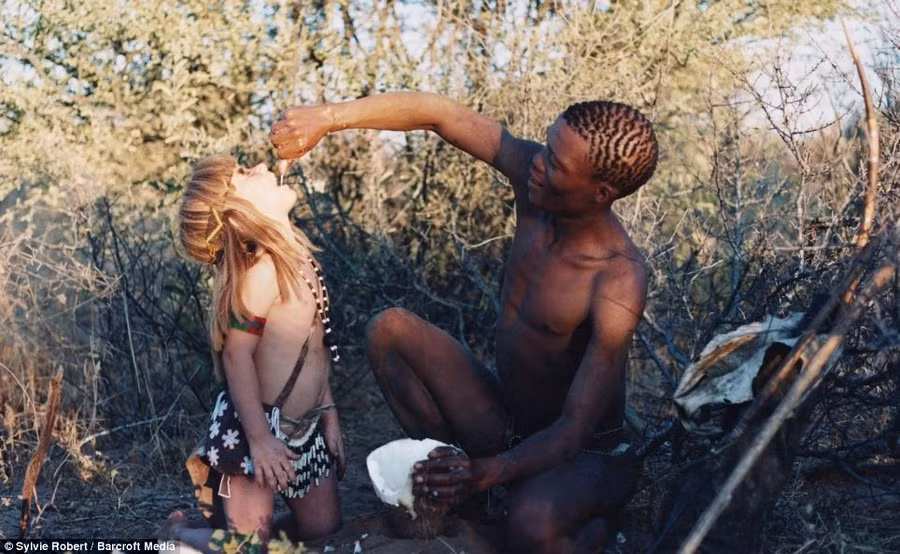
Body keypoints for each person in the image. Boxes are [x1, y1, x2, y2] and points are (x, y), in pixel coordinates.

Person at [271, 92, 658, 553]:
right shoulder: (534, 179)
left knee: (532, 523)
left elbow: (575, 429)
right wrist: (327, 119)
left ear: (600, 193)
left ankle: (594, 532)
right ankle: (459, 490)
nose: (538, 163)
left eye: (555, 164)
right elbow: (441, 116)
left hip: (586, 453)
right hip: (511, 423)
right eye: (546, 147)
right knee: (389, 330)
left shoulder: (618, 277)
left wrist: (490, 470)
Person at [157, 156, 345, 551]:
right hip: (253, 428)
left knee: (324, 530)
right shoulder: (261, 273)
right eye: (244, 173)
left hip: (303, 429)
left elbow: (314, 347)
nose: (260, 164)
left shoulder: (298, 256)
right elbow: (236, 357)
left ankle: (240, 530)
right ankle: (180, 536)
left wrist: (327, 409)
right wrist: (259, 439)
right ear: (236, 217)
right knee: (248, 549)